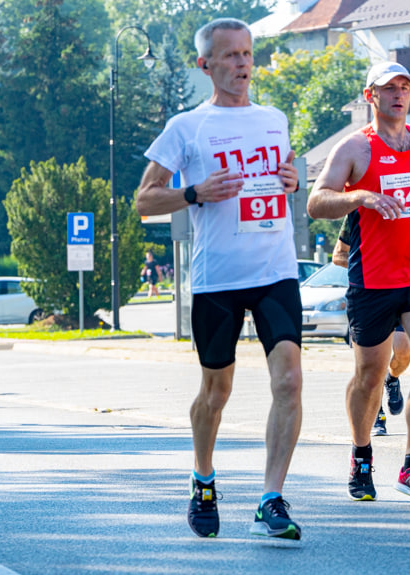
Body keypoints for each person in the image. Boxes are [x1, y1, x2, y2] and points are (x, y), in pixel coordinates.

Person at [137, 18, 303, 540]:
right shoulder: (187, 128)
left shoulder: (274, 119)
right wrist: (194, 193)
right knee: (216, 391)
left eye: (248, 54)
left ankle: (271, 497)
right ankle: (203, 477)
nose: (242, 64)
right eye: (230, 56)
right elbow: (144, 201)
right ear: (204, 64)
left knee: (290, 380)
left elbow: (285, 178)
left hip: (276, 269)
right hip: (218, 279)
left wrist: (294, 181)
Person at [308, 60, 410, 503]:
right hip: (374, 277)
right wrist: (360, 196)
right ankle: (361, 456)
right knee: (369, 375)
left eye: (404, 87)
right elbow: (317, 202)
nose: (398, 94)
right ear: (370, 95)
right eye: (388, 88)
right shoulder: (354, 148)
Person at [332, 220, 409, 436]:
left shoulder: (406, 211)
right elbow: (338, 255)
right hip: (369, 294)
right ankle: (378, 416)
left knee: (403, 352)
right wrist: (368, 263)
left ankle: (392, 379)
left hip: (401, 292)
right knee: (373, 364)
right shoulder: (357, 213)